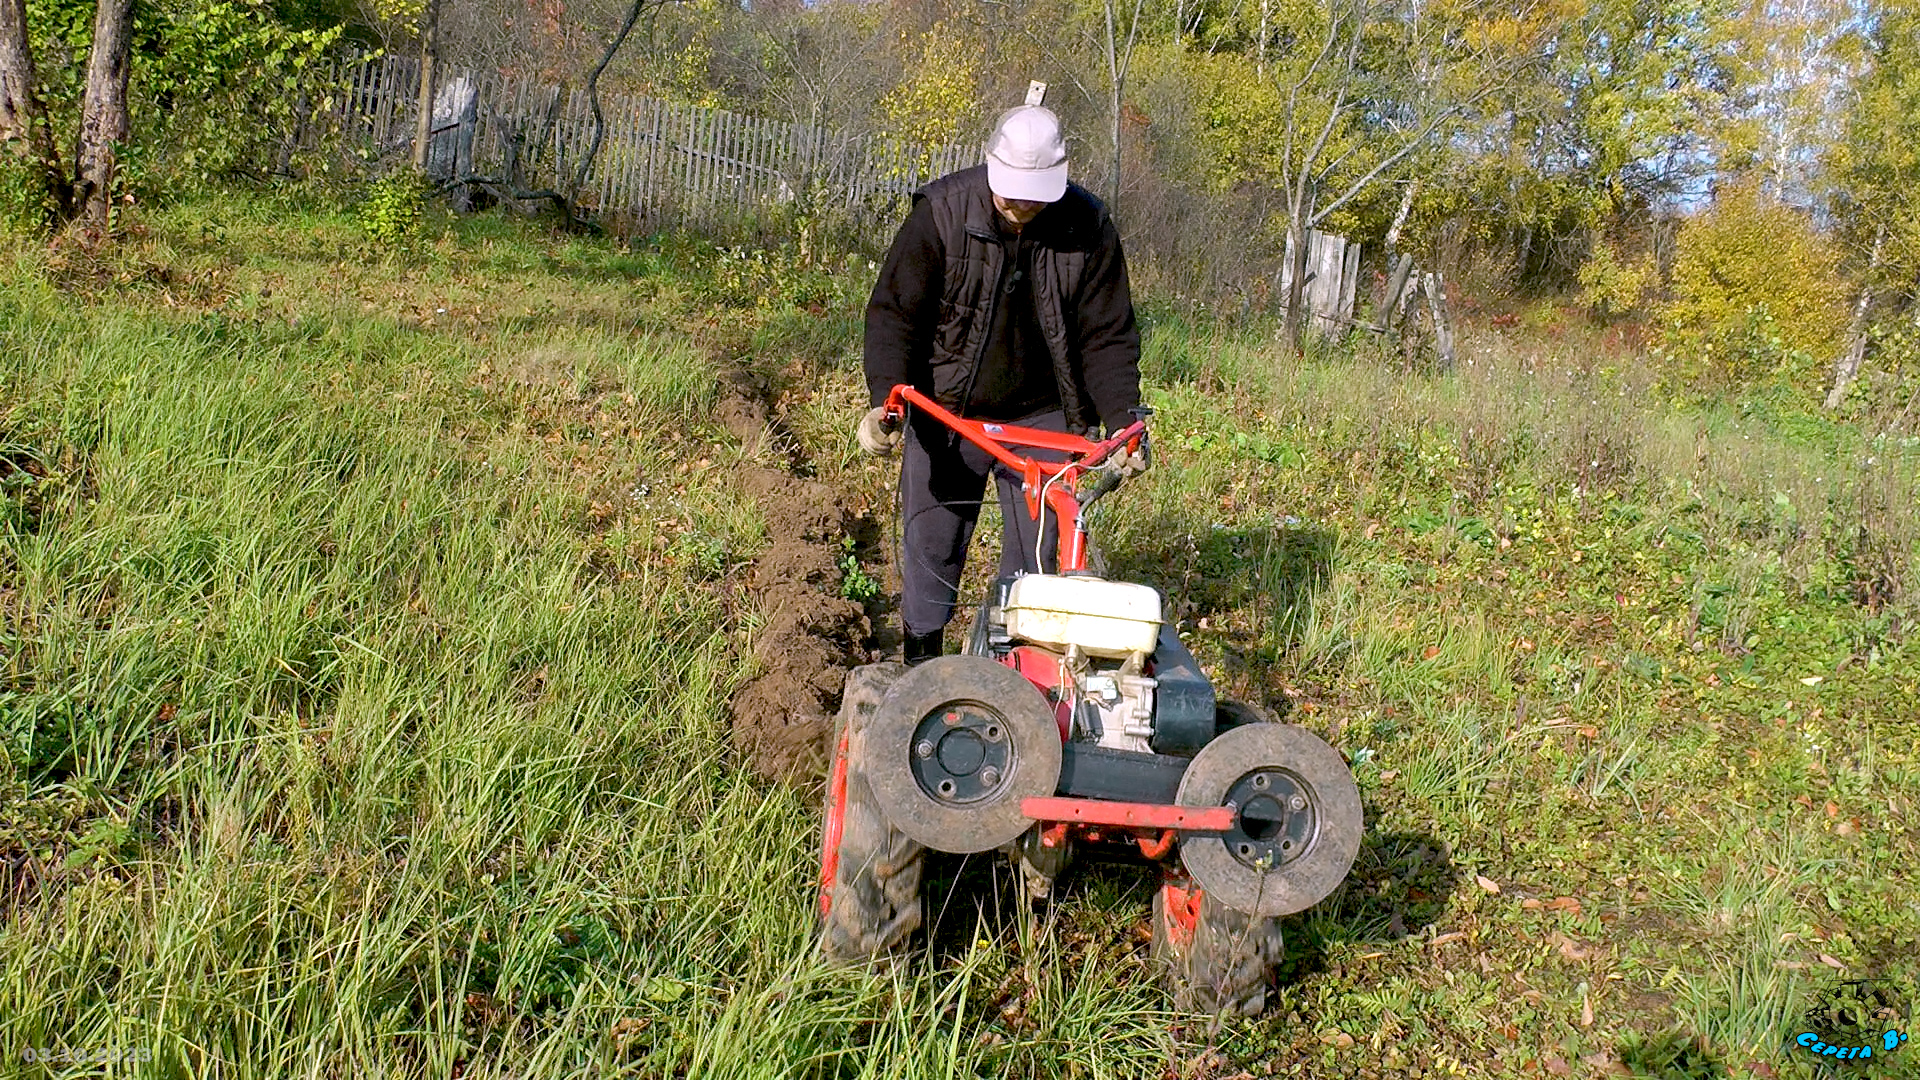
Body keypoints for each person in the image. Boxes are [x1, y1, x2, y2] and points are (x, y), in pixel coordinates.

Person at [856, 103, 1148, 665]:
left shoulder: (1087, 227)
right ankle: (922, 666)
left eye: (1036, 195)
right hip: (949, 410)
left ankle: (1016, 677)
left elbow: (1107, 336)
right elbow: (895, 314)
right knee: (930, 545)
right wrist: (885, 400)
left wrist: (1124, 422)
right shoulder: (941, 213)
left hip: (1043, 416)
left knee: (1036, 561)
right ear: (991, 168)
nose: (1022, 206)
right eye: (1013, 192)